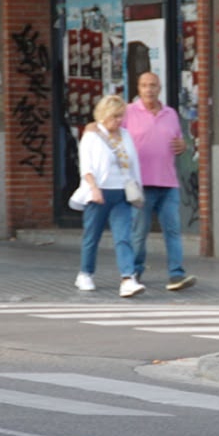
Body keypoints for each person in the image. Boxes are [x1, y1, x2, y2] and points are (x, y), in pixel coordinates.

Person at [123, 72, 196, 291]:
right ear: (138, 88)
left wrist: (183, 147)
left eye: (153, 85)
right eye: (144, 85)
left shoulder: (170, 114)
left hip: (168, 182)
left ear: (160, 87)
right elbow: (109, 132)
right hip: (140, 183)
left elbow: (180, 141)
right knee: (139, 231)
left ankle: (176, 274)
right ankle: (133, 272)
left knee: (172, 230)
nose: (149, 90)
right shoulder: (128, 112)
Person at [72, 95, 147, 298]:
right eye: (114, 116)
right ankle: (85, 273)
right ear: (103, 116)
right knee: (92, 236)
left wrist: (137, 189)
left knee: (123, 237)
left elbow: (133, 164)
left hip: (121, 192)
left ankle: (127, 278)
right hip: (100, 192)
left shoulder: (125, 135)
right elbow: (86, 165)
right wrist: (93, 188)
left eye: (121, 116)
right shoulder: (92, 136)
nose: (119, 121)